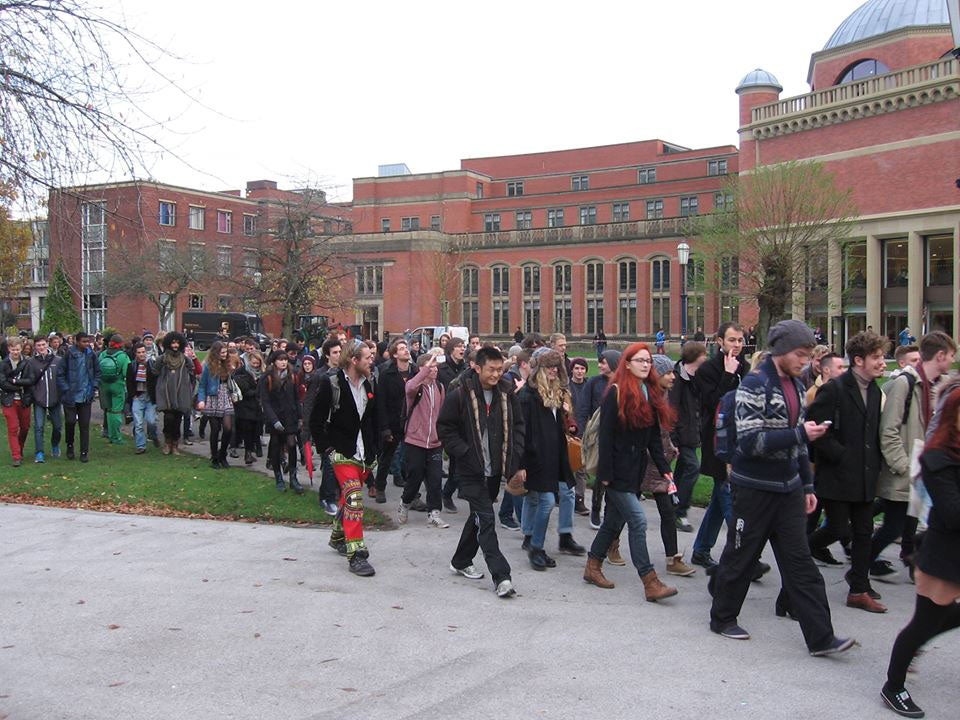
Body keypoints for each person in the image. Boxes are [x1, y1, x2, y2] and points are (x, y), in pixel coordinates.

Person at [709, 320, 855, 656]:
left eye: (809, 355)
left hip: (788, 488)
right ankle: (722, 618)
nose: (807, 360)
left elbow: (800, 444)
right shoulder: (753, 385)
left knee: (801, 564)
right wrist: (802, 435)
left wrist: (806, 484)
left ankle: (821, 638)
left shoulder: (797, 386)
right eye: (801, 354)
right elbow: (750, 442)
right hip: (753, 489)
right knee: (740, 557)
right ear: (781, 351)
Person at [881, 382, 960, 718]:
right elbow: (953, 513)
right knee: (922, 625)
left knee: (935, 620)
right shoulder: (937, 457)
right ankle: (893, 686)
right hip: (946, 554)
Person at [582, 343, 677, 601]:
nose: (646, 365)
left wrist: (665, 469)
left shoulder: (649, 391)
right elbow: (606, 436)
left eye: (648, 361)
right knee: (638, 520)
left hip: (635, 471)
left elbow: (654, 438)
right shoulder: (615, 391)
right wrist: (605, 474)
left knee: (614, 521)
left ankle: (592, 566)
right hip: (616, 472)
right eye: (640, 360)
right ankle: (650, 581)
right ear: (627, 364)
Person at [808, 330, 889, 613]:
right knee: (838, 528)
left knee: (865, 532)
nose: (883, 362)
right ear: (858, 360)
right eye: (876, 357)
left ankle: (858, 588)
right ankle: (805, 550)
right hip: (837, 476)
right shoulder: (835, 389)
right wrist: (842, 456)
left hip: (866, 476)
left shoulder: (876, 390)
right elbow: (816, 429)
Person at [438, 345, 524, 598]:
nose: (497, 375)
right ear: (477, 367)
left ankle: (461, 560)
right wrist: (464, 452)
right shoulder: (461, 394)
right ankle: (502, 577)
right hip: (470, 469)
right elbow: (445, 428)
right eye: (491, 369)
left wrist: (515, 458)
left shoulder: (507, 394)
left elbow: (518, 427)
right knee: (486, 519)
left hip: (494, 469)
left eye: (500, 369)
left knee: (478, 517)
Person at [872, 332, 956, 583]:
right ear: (940, 356)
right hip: (907, 468)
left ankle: (916, 566)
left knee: (914, 523)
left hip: (926, 467)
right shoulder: (905, 383)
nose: (953, 361)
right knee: (895, 526)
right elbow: (889, 430)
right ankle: (862, 563)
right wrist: (904, 467)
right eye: (951, 356)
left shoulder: (940, 386)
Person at [310, 339, 380, 576]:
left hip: (364, 453)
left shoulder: (370, 383)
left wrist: (376, 446)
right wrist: (327, 450)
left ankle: (337, 536)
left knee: (350, 499)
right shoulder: (331, 384)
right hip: (341, 452)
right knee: (354, 499)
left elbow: (371, 420)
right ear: (353, 360)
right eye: (367, 357)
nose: (372, 360)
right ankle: (356, 555)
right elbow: (315, 421)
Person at [690, 322, 749, 568]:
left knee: (719, 498)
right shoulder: (708, 370)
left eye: (740, 340)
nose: (737, 345)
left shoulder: (745, 367)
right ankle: (746, 555)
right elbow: (713, 403)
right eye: (732, 340)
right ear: (720, 342)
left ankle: (701, 549)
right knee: (729, 497)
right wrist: (727, 376)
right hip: (717, 441)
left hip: (739, 439)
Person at [518, 349, 583, 570]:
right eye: (549, 367)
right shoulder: (528, 396)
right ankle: (535, 547)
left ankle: (539, 544)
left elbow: (555, 429)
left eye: (557, 366)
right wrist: (521, 465)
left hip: (554, 457)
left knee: (563, 494)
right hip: (536, 459)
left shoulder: (554, 393)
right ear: (539, 369)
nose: (554, 370)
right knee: (545, 502)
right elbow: (522, 433)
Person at [646, 354, 697, 577]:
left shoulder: (664, 395)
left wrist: (670, 446)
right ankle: (603, 551)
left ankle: (672, 558)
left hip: (660, 463)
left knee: (667, 512)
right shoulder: (646, 398)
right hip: (643, 462)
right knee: (620, 514)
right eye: (667, 372)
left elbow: (662, 432)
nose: (673, 376)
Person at [397, 353, 447, 528]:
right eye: (430, 367)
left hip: (434, 442)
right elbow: (409, 387)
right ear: (421, 369)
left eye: (435, 367)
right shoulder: (415, 388)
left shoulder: (440, 387)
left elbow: (441, 414)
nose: (434, 370)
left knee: (435, 480)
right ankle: (405, 503)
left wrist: (441, 435)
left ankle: (434, 513)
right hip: (415, 440)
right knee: (414, 477)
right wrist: (425, 369)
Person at [669, 341, 707, 530]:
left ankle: (671, 504)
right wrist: (673, 438)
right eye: (703, 354)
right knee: (693, 467)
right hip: (682, 435)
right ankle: (680, 511)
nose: (706, 357)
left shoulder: (698, 378)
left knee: (682, 471)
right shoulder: (678, 379)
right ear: (695, 356)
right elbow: (672, 409)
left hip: (693, 433)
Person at [372, 338, 416, 503]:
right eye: (402, 348)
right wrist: (385, 428)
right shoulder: (386, 374)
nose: (406, 350)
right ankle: (380, 487)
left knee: (412, 459)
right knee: (387, 457)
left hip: (411, 422)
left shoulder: (415, 372)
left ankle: (411, 492)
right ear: (395, 354)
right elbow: (381, 403)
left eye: (407, 347)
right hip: (392, 422)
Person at [583, 350, 622, 534]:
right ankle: (596, 510)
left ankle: (610, 513)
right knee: (600, 474)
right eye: (599, 362)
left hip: (618, 436)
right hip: (598, 435)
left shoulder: (621, 385)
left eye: (603, 362)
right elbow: (584, 408)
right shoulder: (594, 382)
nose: (599, 365)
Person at [260, 350, 303, 493]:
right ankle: (278, 477)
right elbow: (265, 402)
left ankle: (293, 477)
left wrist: (300, 417)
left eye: (285, 360)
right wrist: (273, 420)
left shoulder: (293, 376)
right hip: (275, 418)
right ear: (274, 361)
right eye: (280, 360)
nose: (283, 362)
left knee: (292, 444)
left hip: (290, 416)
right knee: (276, 446)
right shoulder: (268, 377)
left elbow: (297, 398)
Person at [57, 332, 100, 463]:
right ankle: (70, 445)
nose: (86, 344)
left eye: (88, 341)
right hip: (71, 395)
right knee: (70, 422)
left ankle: (84, 451)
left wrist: (94, 386)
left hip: (86, 395)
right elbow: (60, 373)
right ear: (77, 341)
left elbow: (98, 371)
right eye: (84, 341)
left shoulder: (91, 354)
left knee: (84, 425)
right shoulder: (69, 354)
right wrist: (66, 388)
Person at [151, 332, 194, 456]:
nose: (175, 345)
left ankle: (175, 444)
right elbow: (154, 373)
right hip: (166, 393)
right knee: (169, 418)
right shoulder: (162, 359)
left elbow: (192, 372)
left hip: (180, 393)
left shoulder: (185, 359)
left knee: (177, 419)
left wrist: (187, 387)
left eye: (177, 343)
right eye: (173, 343)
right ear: (168, 343)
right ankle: (167, 442)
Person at [197, 341, 236, 470]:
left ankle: (223, 454)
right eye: (222, 352)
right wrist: (201, 400)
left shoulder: (228, 364)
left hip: (225, 396)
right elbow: (202, 385)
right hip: (212, 398)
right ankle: (214, 457)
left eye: (226, 352)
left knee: (228, 428)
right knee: (215, 430)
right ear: (216, 353)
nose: (225, 354)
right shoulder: (208, 366)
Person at [27, 335, 62, 462]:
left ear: (47, 344)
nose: (41, 347)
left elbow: (62, 378)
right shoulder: (31, 362)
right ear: (35, 347)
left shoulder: (57, 360)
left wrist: (61, 393)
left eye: (43, 344)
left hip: (55, 398)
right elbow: (29, 380)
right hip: (39, 399)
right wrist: (34, 394)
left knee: (57, 426)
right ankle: (39, 452)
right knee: (39, 427)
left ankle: (55, 444)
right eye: (38, 345)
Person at [1, 337, 35, 467]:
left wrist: (15, 382)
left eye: (18, 349)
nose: (15, 352)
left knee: (25, 427)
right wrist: (19, 386)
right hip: (9, 400)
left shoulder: (27, 363)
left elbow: (30, 380)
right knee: (13, 427)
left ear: (21, 349)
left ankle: (19, 448)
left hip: (24, 399)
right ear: (9, 349)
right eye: (13, 349)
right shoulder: (3, 364)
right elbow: (3, 383)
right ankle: (16, 456)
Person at [98, 334, 130, 445]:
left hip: (104, 386)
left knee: (108, 411)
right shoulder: (123, 356)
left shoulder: (102, 354)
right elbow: (127, 373)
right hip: (117, 385)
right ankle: (116, 437)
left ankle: (109, 434)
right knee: (116, 411)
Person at [568, 357, 591, 515]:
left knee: (582, 467)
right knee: (568, 465)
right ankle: (564, 496)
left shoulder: (589, 386)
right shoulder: (567, 387)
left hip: (585, 431)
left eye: (582, 369)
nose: (579, 371)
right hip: (569, 430)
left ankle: (579, 499)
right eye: (577, 368)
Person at [126, 343, 158, 453]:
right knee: (138, 423)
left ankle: (153, 435)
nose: (141, 354)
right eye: (139, 352)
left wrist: (147, 366)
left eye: (143, 352)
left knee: (151, 421)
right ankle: (141, 446)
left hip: (150, 398)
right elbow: (129, 382)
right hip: (138, 397)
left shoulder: (152, 364)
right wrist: (133, 396)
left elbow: (156, 379)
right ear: (135, 354)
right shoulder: (132, 366)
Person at [233, 350, 263, 466]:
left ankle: (250, 451)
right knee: (247, 429)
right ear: (249, 361)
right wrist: (257, 391)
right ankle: (248, 453)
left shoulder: (262, 373)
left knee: (255, 429)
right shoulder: (242, 372)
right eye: (253, 363)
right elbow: (244, 390)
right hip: (245, 405)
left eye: (257, 363)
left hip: (256, 406)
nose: (255, 366)